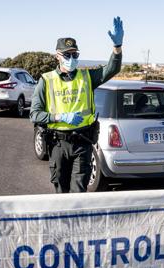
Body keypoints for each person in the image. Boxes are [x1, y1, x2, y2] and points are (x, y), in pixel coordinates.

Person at [30, 17, 124, 193]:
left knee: (79, 193)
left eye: (75, 55)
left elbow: (112, 69)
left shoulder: (87, 77)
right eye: (67, 55)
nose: (72, 58)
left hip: (83, 142)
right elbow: (34, 114)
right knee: (61, 191)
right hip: (58, 143)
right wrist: (59, 117)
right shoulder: (46, 80)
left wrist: (117, 48)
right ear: (57, 56)